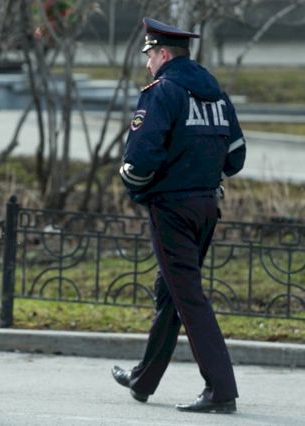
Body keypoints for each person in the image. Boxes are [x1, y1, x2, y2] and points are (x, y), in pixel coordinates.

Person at [112, 17, 246, 414]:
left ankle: (221, 390)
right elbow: (236, 157)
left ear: (164, 54)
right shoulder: (216, 94)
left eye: (150, 55)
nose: (148, 63)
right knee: (171, 290)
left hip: (171, 209)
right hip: (206, 206)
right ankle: (143, 379)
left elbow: (139, 159)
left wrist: (139, 189)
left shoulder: (163, 92)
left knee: (188, 296)